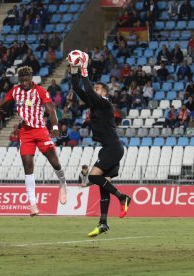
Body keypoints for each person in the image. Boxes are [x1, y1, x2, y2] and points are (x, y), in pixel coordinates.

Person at [0, 66, 68, 215]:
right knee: (28, 166)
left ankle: (63, 183)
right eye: (22, 80)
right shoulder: (15, 91)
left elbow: (51, 110)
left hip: (40, 130)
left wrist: (54, 126)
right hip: (25, 132)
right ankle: (33, 204)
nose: (24, 83)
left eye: (27, 80)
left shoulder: (40, 91)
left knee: (54, 162)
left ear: (31, 78)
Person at [69, 51, 131, 237]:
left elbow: (87, 90)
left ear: (104, 93)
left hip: (112, 147)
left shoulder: (104, 103)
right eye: (95, 88)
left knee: (94, 177)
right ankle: (103, 223)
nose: (94, 90)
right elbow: (77, 88)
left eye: (98, 89)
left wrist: (85, 68)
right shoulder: (95, 104)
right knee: (103, 185)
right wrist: (74, 69)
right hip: (111, 148)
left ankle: (123, 197)